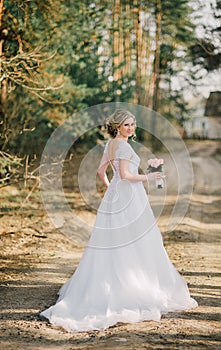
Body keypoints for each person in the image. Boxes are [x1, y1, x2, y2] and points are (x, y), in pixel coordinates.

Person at [40, 109, 197, 332]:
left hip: (115, 196)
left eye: (133, 124)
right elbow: (125, 176)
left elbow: (101, 170)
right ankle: (131, 286)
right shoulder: (122, 146)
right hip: (130, 196)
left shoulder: (110, 145)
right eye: (126, 125)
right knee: (135, 239)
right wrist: (150, 176)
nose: (130, 128)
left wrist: (110, 188)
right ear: (117, 126)